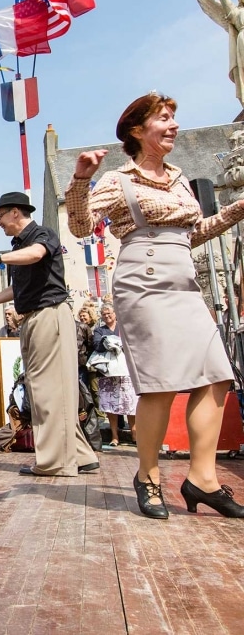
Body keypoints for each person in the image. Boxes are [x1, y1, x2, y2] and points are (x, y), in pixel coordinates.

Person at [66, 91, 244, 519]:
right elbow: (79, 226)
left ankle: (202, 479)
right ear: (137, 130)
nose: (173, 125)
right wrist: (79, 181)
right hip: (142, 286)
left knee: (216, 377)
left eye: (173, 118)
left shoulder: (181, 179)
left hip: (184, 284)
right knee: (161, 383)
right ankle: (147, 476)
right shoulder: (118, 180)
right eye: (164, 118)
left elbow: (190, 233)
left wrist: (235, 211)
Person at [0, 192, 99, 478]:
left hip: (48, 315)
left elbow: (37, 254)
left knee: (46, 391)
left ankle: (55, 462)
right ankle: (81, 455)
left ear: (15, 212)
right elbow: (21, 288)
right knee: (53, 390)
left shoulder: (41, 235)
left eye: (0, 216)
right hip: (34, 317)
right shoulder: (19, 246)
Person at [92, 304, 137, 448]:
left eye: (109, 313)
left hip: (126, 371)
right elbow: (97, 344)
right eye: (104, 314)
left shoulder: (123, 328)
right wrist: (109, 343)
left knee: (130, 403)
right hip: (109, 373)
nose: (107, 316)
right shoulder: (99, 330)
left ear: (115, 313)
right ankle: (114, 436)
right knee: (111, 405)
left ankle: (134, 434)